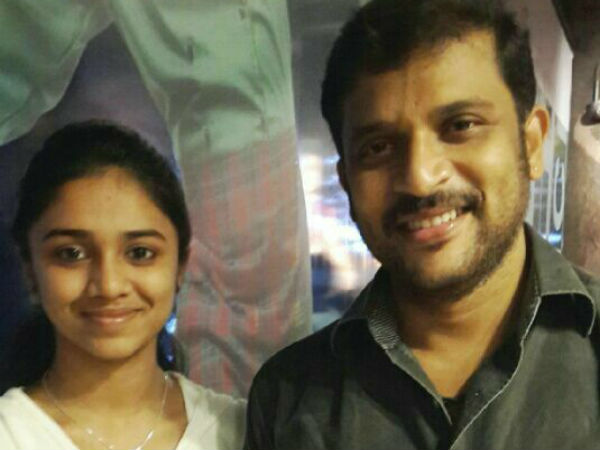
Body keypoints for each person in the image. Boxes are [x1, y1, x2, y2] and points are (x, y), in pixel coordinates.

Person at [244, 0, 600, 449]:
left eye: (460, 126)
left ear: (531, 145)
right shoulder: (287, 398)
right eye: (378, 147)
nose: (419, 178)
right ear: (347, 182)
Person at [0, 121, 245, 450]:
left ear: (180, 266)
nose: (109, 285)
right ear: (30, 269)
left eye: (140, 253)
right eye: (71, 254)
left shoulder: (243, 432)